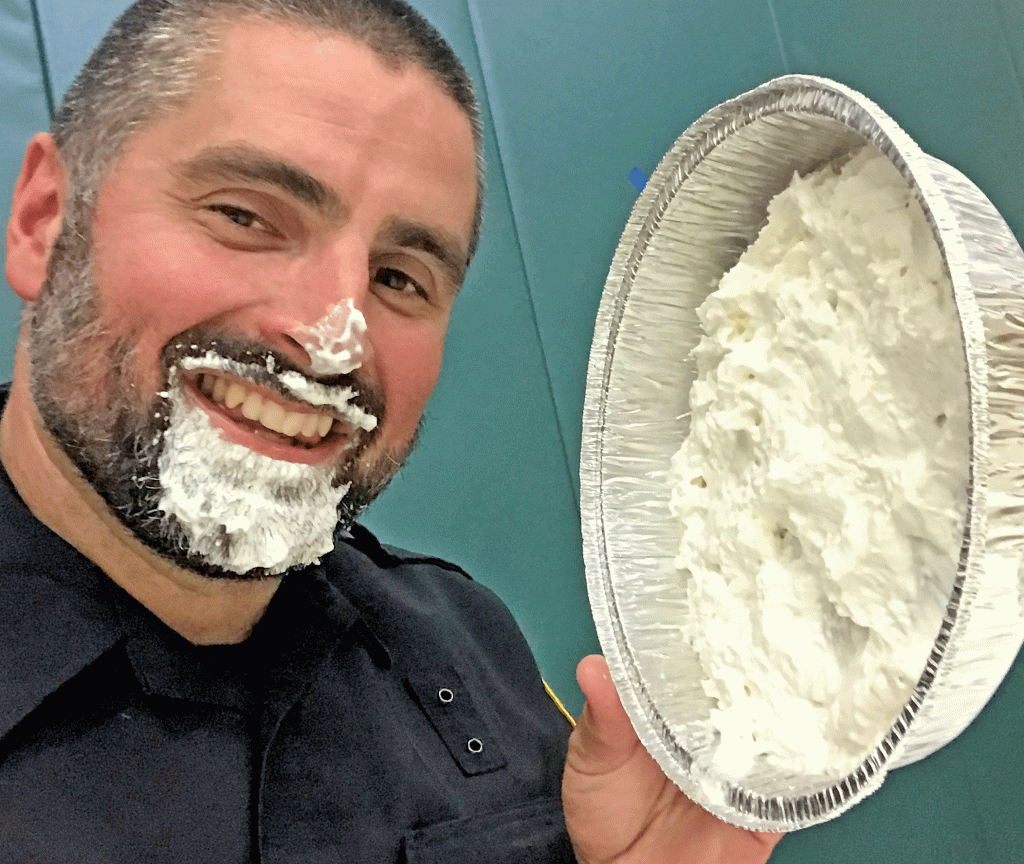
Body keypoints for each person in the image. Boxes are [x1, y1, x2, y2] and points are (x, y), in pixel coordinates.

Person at [0, 0, 784, 860]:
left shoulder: (464, 646)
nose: (334, 335)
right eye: (246, 216)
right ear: (46, 219)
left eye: (399, 277)